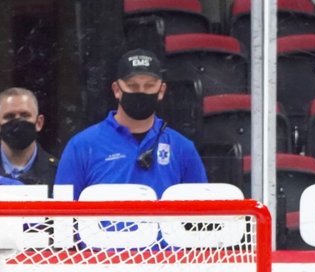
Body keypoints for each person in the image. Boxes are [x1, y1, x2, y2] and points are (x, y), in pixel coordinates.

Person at [54, 49, 207, 199]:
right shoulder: (82, 145)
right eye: (132, 86)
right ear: (116, 90)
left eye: (149, 86)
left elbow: (203, 214)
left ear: (161, 91)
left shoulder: (182, 147)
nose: (141, 92)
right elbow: (62, 215)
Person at [0, 87, 58, 186]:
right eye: (9, 116)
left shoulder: (57, 172)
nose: (18, 122)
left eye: (25, 115)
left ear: (39, 123)